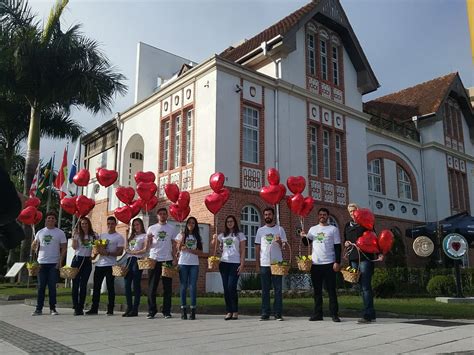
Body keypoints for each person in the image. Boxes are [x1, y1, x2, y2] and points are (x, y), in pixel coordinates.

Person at [343, 203, 383, 324]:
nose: (352, 213)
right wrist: (346, 243)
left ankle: (368, 315)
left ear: (358, 211)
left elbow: (374, 238)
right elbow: (345, 239)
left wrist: (379, 253)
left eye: (354, 211)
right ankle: (370, 312)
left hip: (365, 258)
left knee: (366, 287)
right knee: (361, 287)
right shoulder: (347, 225)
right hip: (354, 258)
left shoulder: (365, 223)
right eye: (350, 211)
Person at [300, 207, 341, 322]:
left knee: (331, 290)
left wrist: (337, 262)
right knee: (317, 291)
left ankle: (334, 314)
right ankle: (318, 314)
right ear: (318, 216)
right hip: (315, 264)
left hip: (329, 264)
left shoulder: (333, 229)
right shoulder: (313, 229)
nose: (322, 216)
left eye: (324, 214)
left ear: (328, 216)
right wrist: (303, 236)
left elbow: (338, 247)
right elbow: (306, 243)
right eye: (320, 214)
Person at [86, 216, 124, 316]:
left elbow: (120, 252)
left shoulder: (119, 237)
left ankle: (110, 309)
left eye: (112, 224)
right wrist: (95, 254)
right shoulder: (101, 236)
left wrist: (107, 253)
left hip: (111, 265)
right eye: (108, 224)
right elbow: (96, 248)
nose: (110, 226)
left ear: (115, 224)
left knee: (110, 287)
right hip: (99, 264)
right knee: (96, 287)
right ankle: (94, 308)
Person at [31, 211, 67, 316]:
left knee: (52, 287)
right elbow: (34, 247)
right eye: (48, 218)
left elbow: (64, 248)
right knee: (41, 287)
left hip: (53, 263)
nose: (50, 220)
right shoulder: (40, 232)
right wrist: (33, 245)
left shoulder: (60, 233)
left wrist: (60, 261)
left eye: (52, 218)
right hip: (41, 263)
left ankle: (53, 308)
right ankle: (38, 309)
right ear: (45, 220)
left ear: (55, 221)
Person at [211, 215, 246, 320]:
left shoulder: (240, 235)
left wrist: (242, 264)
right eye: (228, 222)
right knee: (226, 288)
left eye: (231, 221)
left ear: (235, 222)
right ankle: (228, 311)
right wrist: (214, 238)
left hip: (235, 263)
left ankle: (235, 311)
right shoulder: (222, 235)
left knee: (231, 287)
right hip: (224, 263)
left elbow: (243, 250)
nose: (230, 223)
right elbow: (214, 246)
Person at [255, 207, 287, 321]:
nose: (267, 216)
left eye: (269, 214)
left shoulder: (280, 229)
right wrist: (257, 264)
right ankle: (265, 313)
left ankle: (278, 313)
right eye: (265, 214)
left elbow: (284, 247)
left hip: (276, 263)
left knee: (278, 290)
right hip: (264, 263)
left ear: (273, 216)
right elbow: (257, 247)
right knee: (265, 290)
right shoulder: (260, 230)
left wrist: (279, 242)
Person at [146, 207, 177, 319]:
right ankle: (151, 310)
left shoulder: (172, 228)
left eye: (164, 214)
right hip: (154, 259)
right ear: (157, 216)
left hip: (167, 259)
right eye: (160, 214)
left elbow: (174, 244)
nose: (162, 216)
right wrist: (148, 240)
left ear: (167, 215)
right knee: (152, 286)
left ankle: (166, 311)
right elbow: (147, 246)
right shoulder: (151, 228)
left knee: (167, 287)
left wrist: (175, 258)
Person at [175, 216, 203, 320]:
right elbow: (178, 248)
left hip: (194, 264)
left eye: (193, 223)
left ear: (195, 225)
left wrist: (189, 249)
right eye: (189, 223)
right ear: (187, 224)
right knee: (183, 286)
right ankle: (183, 310)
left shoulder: (197, 237)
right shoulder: (181, 234)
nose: (191, 225)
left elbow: (200, 251)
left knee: (193, 286)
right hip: (183, 263)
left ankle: (193, 310)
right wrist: (182, 239)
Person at [71, 217, 97, 316]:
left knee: (83, 285)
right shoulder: (77, 235)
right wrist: (74, 237)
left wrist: (94, 256)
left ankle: (80, 306)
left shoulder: (93, 235)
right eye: (82, 224)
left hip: (87, 260)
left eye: (86, 223)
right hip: (77, 260)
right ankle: (75, 306)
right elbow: (74, 247)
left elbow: (96, 247)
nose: (84, 225)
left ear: (89, 224)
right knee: (76, 284)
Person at [123, 218, 147, 317]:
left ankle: (135, 309)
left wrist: (133, 252)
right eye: (134, 225)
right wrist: (127, 234)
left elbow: (144, 250)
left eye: (138, 224)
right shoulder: (132, 237)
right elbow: (126, 247)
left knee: (136, 284)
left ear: (141, 225)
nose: (136, 227)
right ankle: (129, 307)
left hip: (137, 260)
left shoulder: (144, 236)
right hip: (129, 260)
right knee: (127, 284)